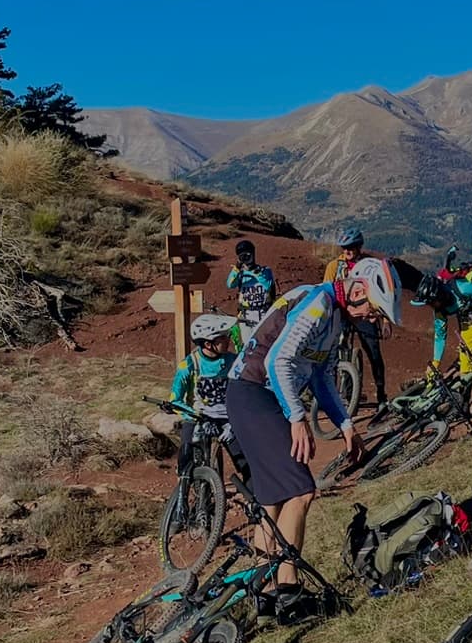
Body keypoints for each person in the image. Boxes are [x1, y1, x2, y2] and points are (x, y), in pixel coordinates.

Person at [224, 258, 401, 615]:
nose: (372, 318)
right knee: (301, 490)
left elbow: (322, 378)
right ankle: (287, 591)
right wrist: (296, 417)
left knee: (274, 499)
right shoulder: (318, 303)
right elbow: (277, 361)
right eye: (373, 310)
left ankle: (263, 590)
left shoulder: (335, 319)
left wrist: (347, 426)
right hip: (253, 391)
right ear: (357, 291)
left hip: (256, 396)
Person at [323, 224, 389, 410]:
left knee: (374, 352)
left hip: (364, 315)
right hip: (341, 314)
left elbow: (381, 293)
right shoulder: (334, 266)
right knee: (336, 352)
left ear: (359, 247)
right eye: (344, 248)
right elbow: (326, 292)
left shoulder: (370, 266)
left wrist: (383, 320)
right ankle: (343, 394)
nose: (347, 251)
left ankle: (381, 393)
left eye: (351, 247)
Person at [168, 312, 243, 470]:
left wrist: (234, 422)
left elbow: (246, 393)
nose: (228, 339)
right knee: (185, 456)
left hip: (228, 419)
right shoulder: (189, 364)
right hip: (197, 417)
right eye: (222, 337)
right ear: (209, 344)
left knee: (245, 463)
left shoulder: (235, 362)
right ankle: (184, 487)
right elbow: (175, 400)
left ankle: (253, 494)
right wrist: (195, 417)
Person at [414, 261, 472, 382]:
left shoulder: (463, 288)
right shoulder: (440, 310)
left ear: (439, 296)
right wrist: (436, 362)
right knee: (467, 369)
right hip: (469, 325)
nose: (431, 306)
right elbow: (440, 337)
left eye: (431, 302)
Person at [226, 240, 276, 327]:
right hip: (246, 315)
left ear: (253, 255)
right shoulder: (240, 274)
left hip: (264, 313)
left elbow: (268, 286)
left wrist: (255, 273)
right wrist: (236, 269)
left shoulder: (265, 271)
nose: (246, 258)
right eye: (242, 256)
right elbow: (230, 285)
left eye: (248, 255)